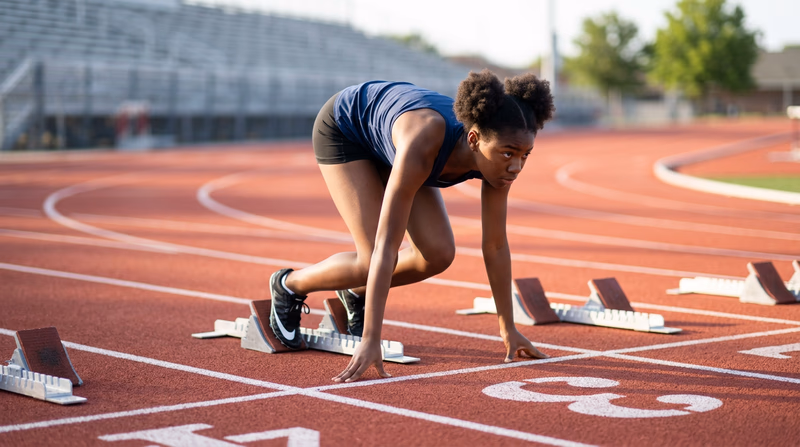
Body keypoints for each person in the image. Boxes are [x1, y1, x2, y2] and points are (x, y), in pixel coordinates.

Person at [268, 69, 555, 383]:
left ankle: (356, 292)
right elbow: (386, 245)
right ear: (474, 139)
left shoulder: (499, 162)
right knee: (370, 260)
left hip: (398, 138)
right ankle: (288, 285)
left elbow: (496, 245)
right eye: (509, 154)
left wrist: (508, 329)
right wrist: (371, 339)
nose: (516, 166)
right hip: (347, 129)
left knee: (437, 253)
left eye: (525, 155)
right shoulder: (426, 141)